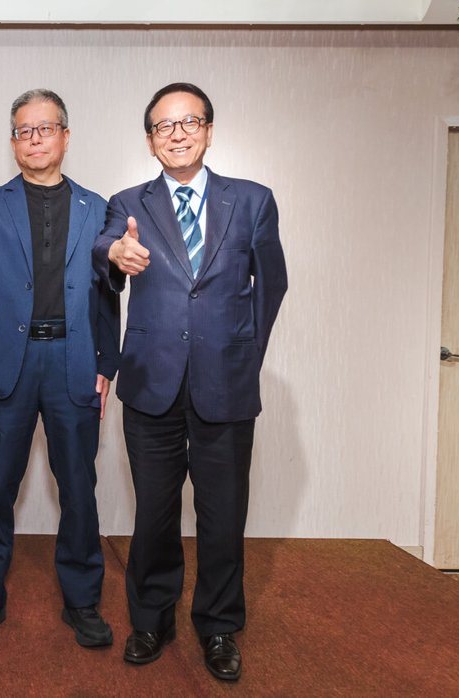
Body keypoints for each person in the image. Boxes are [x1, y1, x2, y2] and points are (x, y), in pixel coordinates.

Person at [93, 82, 287, 681]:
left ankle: (220, 626)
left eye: (189, 122)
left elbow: (272, 284)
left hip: (225, 384)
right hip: (151, 382)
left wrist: (244, 356)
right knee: (153, 512)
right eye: (164, 125)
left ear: (208, 131)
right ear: (150, 139)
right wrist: (114, 256)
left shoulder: (251, 200)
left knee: (223, 515)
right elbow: (104, 250)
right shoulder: (129, 202)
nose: (177, 134)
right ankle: (151, 619)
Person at [0, 89, 120, 648]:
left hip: (74, 361)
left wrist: (106, 362)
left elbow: (107, 290)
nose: (35, 139)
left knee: (79, 489)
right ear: (13, 142)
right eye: (24, 130)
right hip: (11, 364)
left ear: (65, 137)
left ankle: (83, 601)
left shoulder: (98, 207)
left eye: (46, 128)